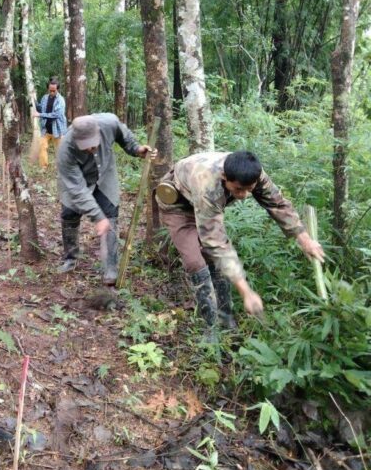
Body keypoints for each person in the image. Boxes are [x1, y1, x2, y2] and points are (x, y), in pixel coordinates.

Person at [156, 151, 325, 330]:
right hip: (179, 206)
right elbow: (216, 242)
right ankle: (210, 327)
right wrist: (246, 292)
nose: (244, 195)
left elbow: (277, 203)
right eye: (238, 189)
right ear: (224, 176)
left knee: (213, 259)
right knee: (195, 261)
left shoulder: (254, 173)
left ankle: (225, 318)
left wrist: (305, 239)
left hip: (205, 202)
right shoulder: (208, 185)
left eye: (249, 189)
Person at [57, 114, 156, 283]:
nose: (90, 149)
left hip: (105, 177)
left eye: (92, 145)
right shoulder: (65, 149)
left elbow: (123, 134)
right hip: (79, 182)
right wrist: (97, 217)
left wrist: (136, 149)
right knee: (69, 214)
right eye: (85, 147)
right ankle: (70, 258)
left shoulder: (109, 123)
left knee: (110, 215)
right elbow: (78, 190)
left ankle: (111, 268)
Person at [33, 77, 67, 169]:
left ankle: (61, 168)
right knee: (42, 147)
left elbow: (56, 114)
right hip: (46, 129)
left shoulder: (61, 100)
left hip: (58, 129)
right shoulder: (45, 97)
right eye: (50, 90)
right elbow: (41, 108)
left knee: (60, 151)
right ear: (48, 88)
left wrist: (39, 114)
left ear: (57, 89)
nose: (52, 92)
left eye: (54, 91)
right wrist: (34, 103)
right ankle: (44, 167)